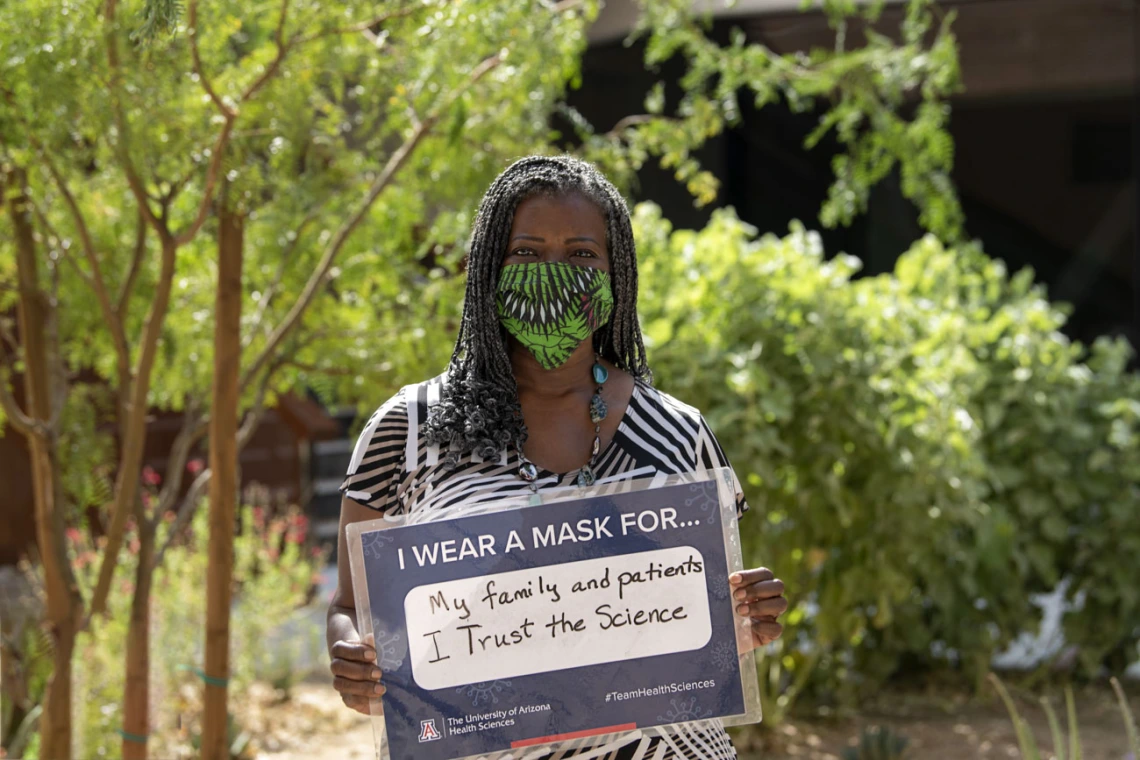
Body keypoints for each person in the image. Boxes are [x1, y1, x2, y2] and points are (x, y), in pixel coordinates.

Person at [326, 155, 787, 759]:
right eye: (526, 252)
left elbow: (703, 619)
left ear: (614, 272)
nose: (554, 272)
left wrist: (748, 621)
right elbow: (350, 607)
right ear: (490, 269)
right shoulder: (410, 428)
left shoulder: (679, 433)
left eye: (580, 254)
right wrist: (351, 655)